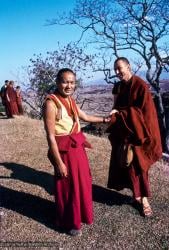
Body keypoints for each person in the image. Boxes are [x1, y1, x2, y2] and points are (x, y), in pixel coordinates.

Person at [43, 68, 110, 236]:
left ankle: (80, 214)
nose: (69, 85)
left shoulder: (71, 100)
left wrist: (105, 119)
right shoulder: (51, 103)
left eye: (72, 82)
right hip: (64, 151)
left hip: (77, 148)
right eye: (65, 82)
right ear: (58, 82)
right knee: (68, 185)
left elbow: (85, 116)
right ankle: (69, 221)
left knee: (82, 181)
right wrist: (59, 163)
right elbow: (50, 136)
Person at [107, 57, 162, 217]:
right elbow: (116, 106)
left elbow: (144, 113)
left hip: (139, 133)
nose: (117, 72)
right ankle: (135, 196)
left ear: (128, 67)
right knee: (127, 164)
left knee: (139, 167)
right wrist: (115, 113)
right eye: (115, 69)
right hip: (125, 131)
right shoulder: (119, 86)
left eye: (120, 68)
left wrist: (121, 113)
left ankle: (144, 201)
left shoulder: (140, 85)